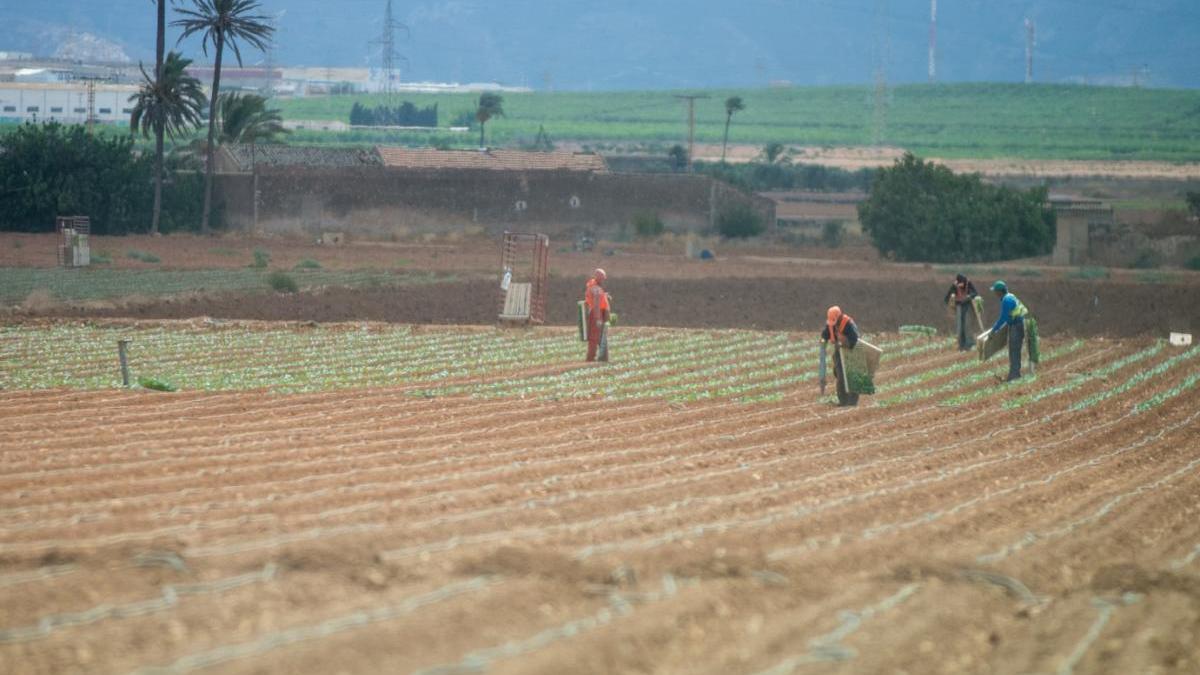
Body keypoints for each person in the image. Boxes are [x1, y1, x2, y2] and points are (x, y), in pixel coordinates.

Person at [988, 280, 1029, 381]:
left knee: (1014, 350)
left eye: (995, 291)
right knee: (1015, 349)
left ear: (999, 292)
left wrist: (993, 330)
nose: (995, 294)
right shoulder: (1010, 296)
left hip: (1016, 325)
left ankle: (1014, 375)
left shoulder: (1006, 300)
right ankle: (1015, 373)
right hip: (1019, 323)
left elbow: (1003, 318)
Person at [821, 305, 860, 406]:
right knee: (840, 376)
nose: (833, 324)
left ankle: (852, 401)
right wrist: (823, 340)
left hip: (851, 351)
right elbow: (825, 334)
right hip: (839, 351)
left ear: (839, 316)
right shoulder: (831, 324)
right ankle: (843, 401)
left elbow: (854, 340)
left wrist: (843, 344)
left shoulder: (848, 324)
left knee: (851, 375)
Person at [943, 273, 980, 351]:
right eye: (959, 284)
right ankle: (961, 344)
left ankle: (969, 343)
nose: (961, 286)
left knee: (967, 324)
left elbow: (975, 293)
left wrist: (969, 296)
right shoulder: (954, 285)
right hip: (959, 306)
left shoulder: (968, 283)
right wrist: (950, 302)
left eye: (962, 284)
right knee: (960, 326)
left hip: (968, 305)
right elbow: (947, 297)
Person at [584, 268, 610, 362]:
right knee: (594, 337)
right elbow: (596, 304)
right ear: (598, 278)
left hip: (598, 313)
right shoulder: (596, 288)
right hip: (597, 314)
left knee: (599, 336)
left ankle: (601, 357)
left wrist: (605, 295)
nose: (603, 280)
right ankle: (591, 358)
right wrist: (598, 318)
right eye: (602, 278)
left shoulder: (594, 286)